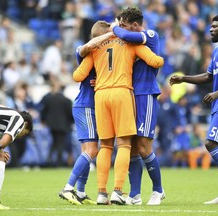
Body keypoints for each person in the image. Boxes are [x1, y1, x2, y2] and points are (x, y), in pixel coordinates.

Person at [73, 20, 164, 205]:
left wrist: (97, 76)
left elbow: (78, 76)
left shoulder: (95, 48)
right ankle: (118, 191)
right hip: (122, 93)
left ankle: (101, 194)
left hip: (100, 96)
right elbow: (156, 61)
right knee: (124, 145)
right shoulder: (130, 43)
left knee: (105, 146)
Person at [169, 15, 218, 204]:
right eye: (210, 26)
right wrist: (184, 78)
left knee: (211, 143)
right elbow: (208, 76)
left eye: (215, 27)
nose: (211, 29)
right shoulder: (217, 51)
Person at [111, 7, 165, 205]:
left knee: (143, 146)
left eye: (124, 24)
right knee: (131, 147)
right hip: (129, 96)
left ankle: (158, 191)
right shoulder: (127, 44)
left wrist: (114, 28)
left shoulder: (150, 35)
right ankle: (134, 195)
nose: (121, 29)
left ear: (134, 25)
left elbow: (123, 34)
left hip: (146, 95)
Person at [59, 30, 114, 205]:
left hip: (95, 106)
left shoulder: (104, 57)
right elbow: (87, 47)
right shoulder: (85, 51)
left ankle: (81, 192)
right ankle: (68, 188)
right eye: (106, 37)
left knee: (88, 151)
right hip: (86, 106)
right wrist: (112, 33)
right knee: (92, 150)